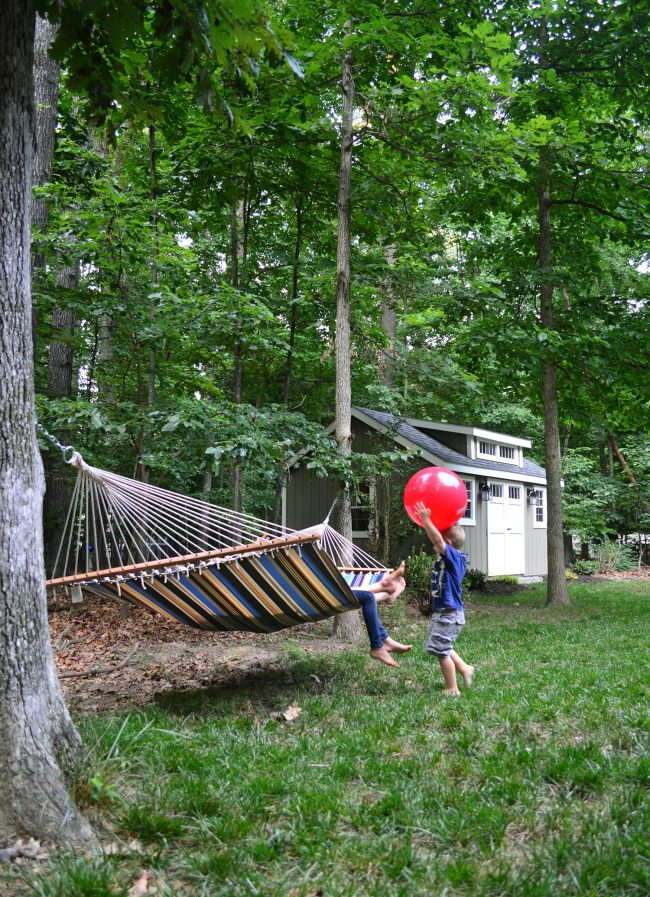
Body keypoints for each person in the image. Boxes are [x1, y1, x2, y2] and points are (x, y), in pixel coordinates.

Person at [415, 501, 474, 696]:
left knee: (441, 651)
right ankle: (465, 668)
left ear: (447, 543)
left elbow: (439, 541)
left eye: (439, 537)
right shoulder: (448, 557)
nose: (435, 540)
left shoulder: (454, 559)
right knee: (438, 646)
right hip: (444, 613)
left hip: (450, 614)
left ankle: (452, 688)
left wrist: (425, 520)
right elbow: (441, 540)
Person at [350, 562, 412, 668]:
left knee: (368, 597)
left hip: (329, 590)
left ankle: (386, 641)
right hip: (327, 593)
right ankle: (385, 591)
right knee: (368, 597)